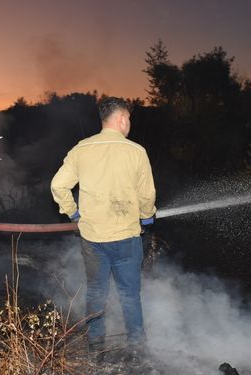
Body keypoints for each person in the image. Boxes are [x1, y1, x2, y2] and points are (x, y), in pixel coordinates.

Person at [51, 97, 156, 363]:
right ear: (121, 119)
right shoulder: (136, 152)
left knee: (96, 292)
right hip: (125, 238)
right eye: (129, 119)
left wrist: (72, 211)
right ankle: (137, 347)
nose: (129, 124)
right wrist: (146, 217)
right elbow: (147, 194)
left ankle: (95, 347)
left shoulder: (82, 149)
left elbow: (58, 186)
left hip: (93, 238)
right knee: (130, 295)